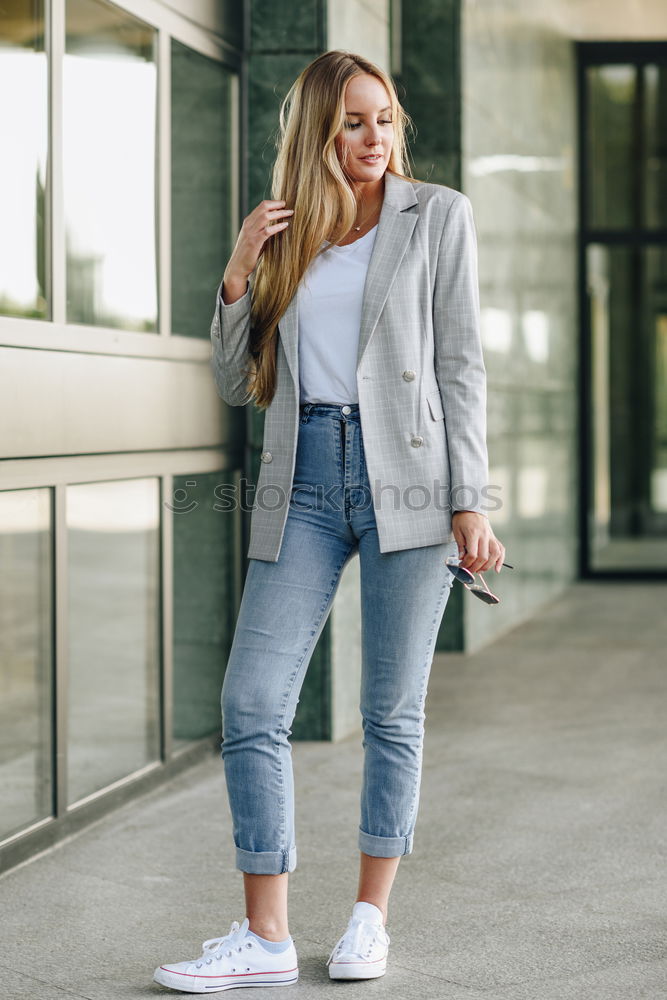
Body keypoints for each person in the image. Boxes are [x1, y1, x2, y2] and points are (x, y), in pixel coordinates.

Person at [154, 49, 506, 994]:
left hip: (412, 482)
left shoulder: (438, 216)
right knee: (251, 705)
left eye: (384, 119)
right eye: (353, 122)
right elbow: (236, 384)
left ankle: (367, 918)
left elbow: (460, 367)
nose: (373, 139)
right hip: (300, 476)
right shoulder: (283, 234)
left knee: (391, 712)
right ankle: (264, 936)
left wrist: (471, 498)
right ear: (316, 128)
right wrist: (236, 274)